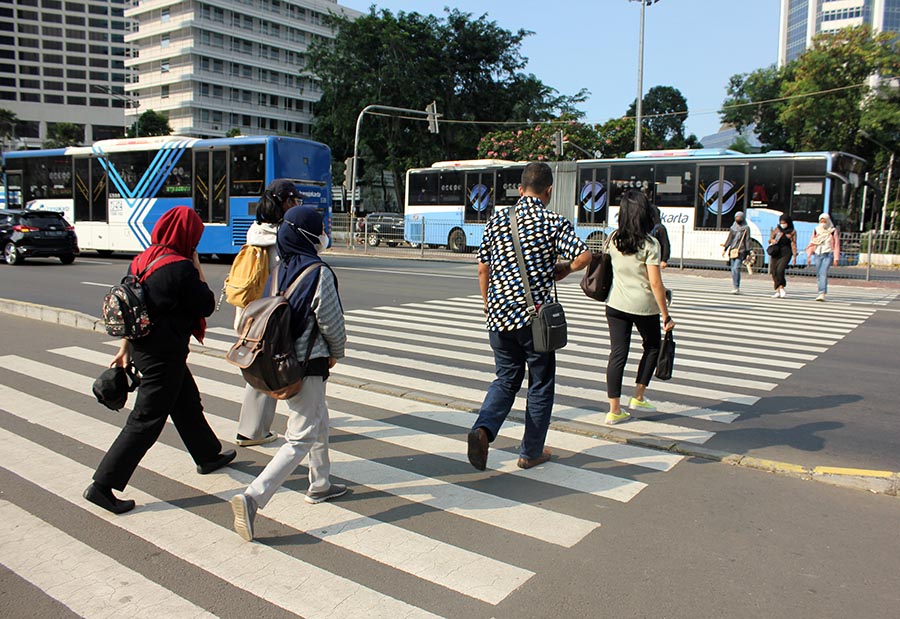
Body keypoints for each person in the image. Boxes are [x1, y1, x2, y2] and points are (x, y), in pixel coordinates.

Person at [84, 206, 235, 514]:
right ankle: (103, 485)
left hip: (146, 347)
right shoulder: (180, 267)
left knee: (186, 402)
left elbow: (135, 306)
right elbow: (205, 305)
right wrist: (196, 265)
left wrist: (126, 347)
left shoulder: (142, 259)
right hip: (163, 355)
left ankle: (208, 455)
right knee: (146, 421)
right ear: (188, 236)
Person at [231, 205, 347, 542]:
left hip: (278, 359)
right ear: (308, 235)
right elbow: (332, 324)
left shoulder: (280, 269)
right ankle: (253, 497)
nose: (324, 233)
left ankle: (321, 483)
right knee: (301, 435)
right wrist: (336, 353)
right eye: (319, 228)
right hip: (306, 363)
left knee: (318, 420)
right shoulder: (318, 272)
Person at [466, 162, 591, 471]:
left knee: (506, 378)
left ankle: (482, 430)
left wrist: (487, 304)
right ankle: (530, 451)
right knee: (540, 383)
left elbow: (483, 268)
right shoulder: (553, 222)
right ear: (548, 191)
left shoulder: (496, 220)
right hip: (534, 320)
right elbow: (585, 255)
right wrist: (565, 269)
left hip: (498, 316)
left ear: (521, 189)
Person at [233, 179, 302, 447]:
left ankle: (252, 429)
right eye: (294, 200)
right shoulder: (282, 237)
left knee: (262, 367)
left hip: (250, 313)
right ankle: (254, 431)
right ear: (284, 202)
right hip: (272, 317)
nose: (296, 205)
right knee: (280, 369)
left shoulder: (256, 231)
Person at [604, 190, 675, 425]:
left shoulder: (613, 238)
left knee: (618, 354)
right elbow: (655, 283)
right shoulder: (650, 244)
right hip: (643, 306)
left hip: (615, 304)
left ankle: (614, 410)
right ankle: (638, 395)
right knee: (653, 346)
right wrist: (666, 315)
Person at [807, 212, 840, 302]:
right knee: (819, 274)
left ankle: (822, 293)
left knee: (823, 272)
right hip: (818, 254)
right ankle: (820, 291)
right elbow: (812, 242)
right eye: (821, 221)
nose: (823, 223)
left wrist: (836, 258)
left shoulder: (833, 231)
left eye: (824, 221)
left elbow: (836, 244)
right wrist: (809, 256)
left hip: (828, 254)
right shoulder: (816, 230)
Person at [767, 214, 797, 298]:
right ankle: (777, 289)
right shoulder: (777, 230)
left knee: (780, 269)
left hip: (786, 252)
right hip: (776, 251)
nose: (782, 224)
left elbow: (793, 243)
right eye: (781, 223)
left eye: (784, 223)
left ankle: (782, 287)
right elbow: (770, 239)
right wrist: (772, 240)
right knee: (774, 271)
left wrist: (795, 256)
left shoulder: (792, 231)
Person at [721, 211, 752, 294]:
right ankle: (735, 286)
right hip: (733, 250)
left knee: (736, 268)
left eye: (739, 217)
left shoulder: (746, 228)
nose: (738, 219)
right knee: (732, 269)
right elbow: (730, 239)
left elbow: (747, 240)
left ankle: (737, 287)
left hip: (741, 250)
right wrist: (725, 249)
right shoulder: (733, 228)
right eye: (736, 217)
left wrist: (748, 253)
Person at [649, 204, 670, 269]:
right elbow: (666, 244)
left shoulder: (659, 228)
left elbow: (665, 244)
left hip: (655, 258)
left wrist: (664, 259)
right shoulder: (660, 228)